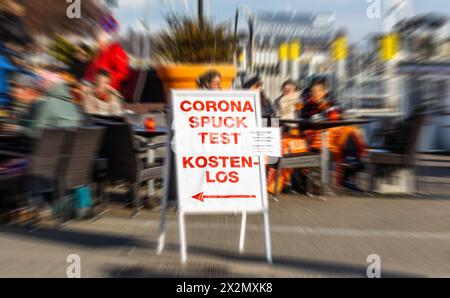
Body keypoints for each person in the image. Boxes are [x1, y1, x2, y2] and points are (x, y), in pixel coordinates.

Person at [84, 21, 130, 91]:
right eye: (97, 41)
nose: (98, 44)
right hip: (90, 85)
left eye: (100, 42)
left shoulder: (117, 50)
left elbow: (124, 73)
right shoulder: (99, 52)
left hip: (107, 89)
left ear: (107, 41)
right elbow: (91, 69)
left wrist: (108, 77)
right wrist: (85, 80)